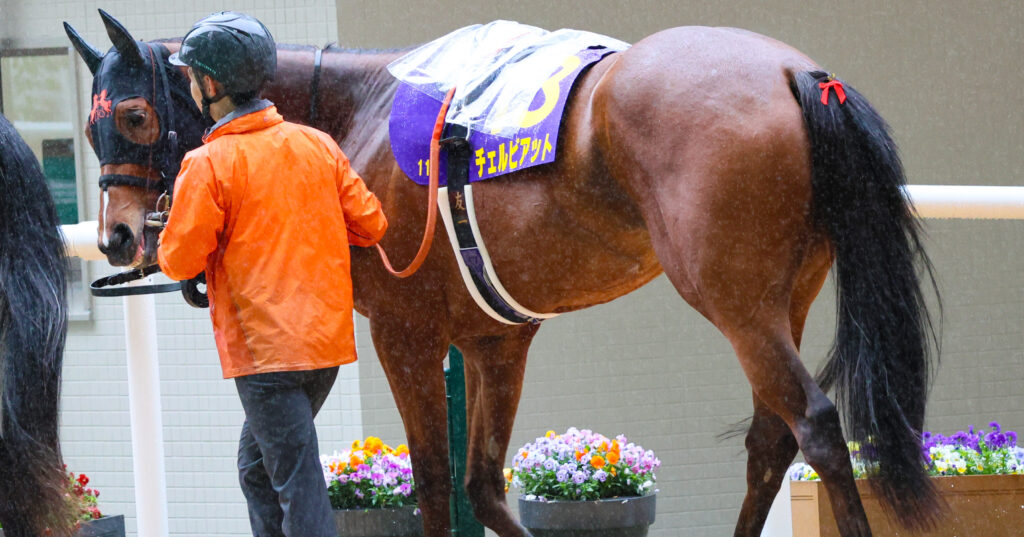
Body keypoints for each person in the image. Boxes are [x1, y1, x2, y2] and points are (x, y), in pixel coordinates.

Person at [158, 12, 387, 537]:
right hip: (324, 349)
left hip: (265, 357)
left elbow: (179, 260)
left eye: (191, 76)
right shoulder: (318, 145)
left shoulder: (207, 162)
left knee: (296, 485)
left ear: (211, 85)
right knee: (257, 471)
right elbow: (371, 223)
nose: (190, 85)